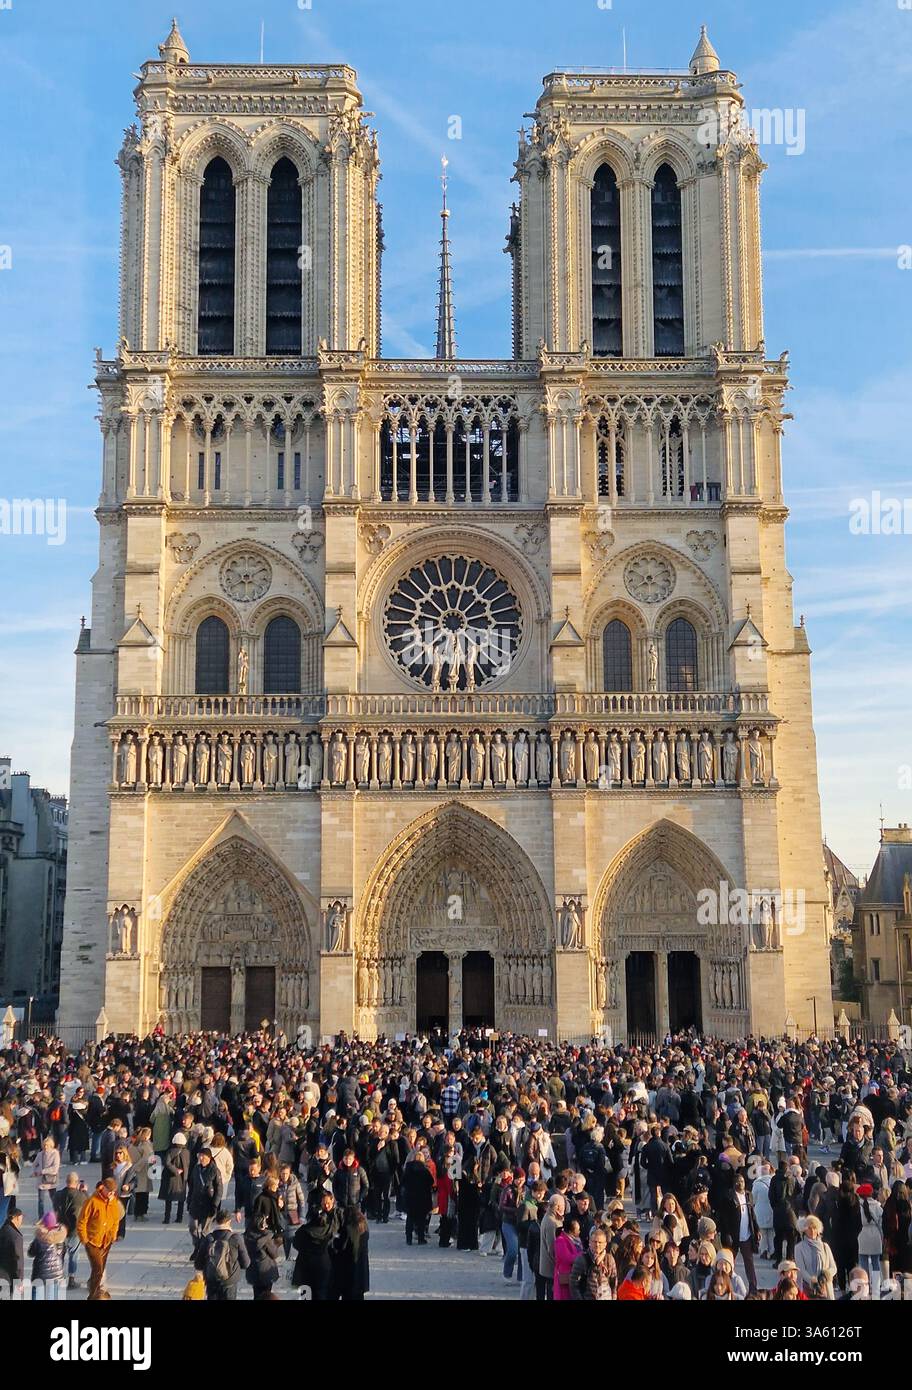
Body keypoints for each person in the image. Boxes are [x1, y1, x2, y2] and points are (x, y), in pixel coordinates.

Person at [76, 1177, 124, 1299]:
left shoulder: (113, 1202)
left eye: (114, 1192)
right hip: (92, 1241)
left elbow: (116, 1220)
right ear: (103, 1188)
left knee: (100, 1270)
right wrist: (84, 1239)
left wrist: (113, 1235)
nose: (111, 1194)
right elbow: (82, 1221)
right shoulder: (92, 1201)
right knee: (97, 1268)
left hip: (106, 1241)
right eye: (110, 1191)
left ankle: (96, 1292)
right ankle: (92, 1296)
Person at [292, 1190, 345, 1300]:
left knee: (307, 1295)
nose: (326, 1205)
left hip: (308, 1270)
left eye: (328, 1202)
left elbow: (296, 1243)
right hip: (323, 1266)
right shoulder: (321, 1229)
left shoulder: (338, 1215)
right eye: (323, 1203)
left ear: (333, 1201)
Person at [195, 1207, 250, 1301]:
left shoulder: (208, 1238)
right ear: (229, 1221)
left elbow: (198, 1264)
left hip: (212, 1279)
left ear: (216, 1222)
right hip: (229, 1281)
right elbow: (246, 1263)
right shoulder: (236, 1238)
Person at [53, 1171, 86, 1290]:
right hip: (74, 1230)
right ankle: (71, 1279)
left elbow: (55, 1209)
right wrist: (84, 1191)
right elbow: (87, 1205)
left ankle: (58, 1278)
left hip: (60, 1229)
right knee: (73, 1255)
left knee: (59, 1255)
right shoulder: (81, 1196)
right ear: (76, 1183)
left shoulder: (57, 1195)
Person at [187, 1147, 222, 1255]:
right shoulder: (196, 1169)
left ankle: (202, 1251)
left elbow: (219, 1189)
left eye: (203, 1156)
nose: (201, 1158)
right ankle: (197, 1245)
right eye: (200, 1156)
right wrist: (189, 1200)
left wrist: (215, 1205)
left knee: (205, 1230)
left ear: (209, 1157)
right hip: (195, 1202)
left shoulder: (214, 1170)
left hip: (208, 1204)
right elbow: (191, 1185)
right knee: (192, 1227)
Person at [569, 1224, 617, 1300]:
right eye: (594, 1242)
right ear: (589, 1243)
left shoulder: (609, 1259)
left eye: (600, 1242)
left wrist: (614, 1297)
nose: (597, 1245)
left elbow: (614, 1282)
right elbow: (573, 1283)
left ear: (605, 1244)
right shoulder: (581, 1259)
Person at [794, 1215, 836, 1299]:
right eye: (809, 1228)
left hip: (825, 1288)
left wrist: (825, 1275)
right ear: (804, 1230)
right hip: (807, 1288)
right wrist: (812, 1281)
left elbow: (833, 1267)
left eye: (814, 1228)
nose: (812, 1231)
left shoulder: (825, 1246)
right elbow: (801, 1269)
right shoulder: (799, 1247)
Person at [27, 1210, 67, 1300]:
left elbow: (30, 1252)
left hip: (40, 1274)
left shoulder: (39, 1239)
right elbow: (63, 1254)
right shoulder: (60, 1237)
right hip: (57, 1274)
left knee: (37, 1296)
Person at [244, 1211, 283, 1300]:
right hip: (266, 1272)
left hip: (253, 1271)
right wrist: (276, 1244)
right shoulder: (266, 1238)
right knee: (267, 1296)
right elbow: (274, 1254)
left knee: (256, 1295)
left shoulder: (247, 1237)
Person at [856, 1182, 883, 1299]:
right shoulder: (877, 1206)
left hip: (862, 1235)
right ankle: (876, 1287)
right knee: (876, 1263)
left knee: (863, 1264)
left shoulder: (858, 1206)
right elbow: (881, 1223)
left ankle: (865, 1288)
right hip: (875, 1235)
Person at [402, 1148, 435, 1246]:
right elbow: (431, 1182)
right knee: (421, 1219)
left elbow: (403, 1182)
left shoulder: (408, 1169)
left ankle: (409, 1238)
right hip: (422, 1197)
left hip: (410, 1197)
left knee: (410, 1218)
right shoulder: (424, 1170)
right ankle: (421, 1238)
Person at [160, 1131, 190, 1225]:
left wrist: (175, 1170)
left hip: (171, 1177)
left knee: (168, 1199)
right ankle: (179, 1217)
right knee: (181, 1198)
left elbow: (167, 1162)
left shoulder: (171, 1151)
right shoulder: (187, 1152)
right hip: (183, 1178)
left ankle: (167, 1218)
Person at [553, 1215, 584, 1301]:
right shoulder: (560, 1240)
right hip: (565, 1276)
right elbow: (567, 1258)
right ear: (571, 1231)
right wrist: (582, 1254)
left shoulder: (576, 1240)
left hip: (574, 1276)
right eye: (577, 1230)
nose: (579, 1231)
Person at [33, 1136, 60, 1219]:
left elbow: (55, 1168)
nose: (45, 1147)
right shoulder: (40, 1154)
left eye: (47, 1145)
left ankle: (57, 1216)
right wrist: (36, 1171)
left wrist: (43, 1171)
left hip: (51, 1180)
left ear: (51, 1146)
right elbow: (35, 1164)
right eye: (44, 1145)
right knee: (41, 1201)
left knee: (54, 1199)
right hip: (41, 1181)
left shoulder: (55, 1153)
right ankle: (40, 1218)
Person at [0, 1205, 24, 1296]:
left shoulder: (2, 1228)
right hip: (7, 1278)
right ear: (16, 1218)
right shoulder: (16, 1237)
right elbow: (18, 1261)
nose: (21, 1222)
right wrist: (19, 1280)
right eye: (21, 1219)